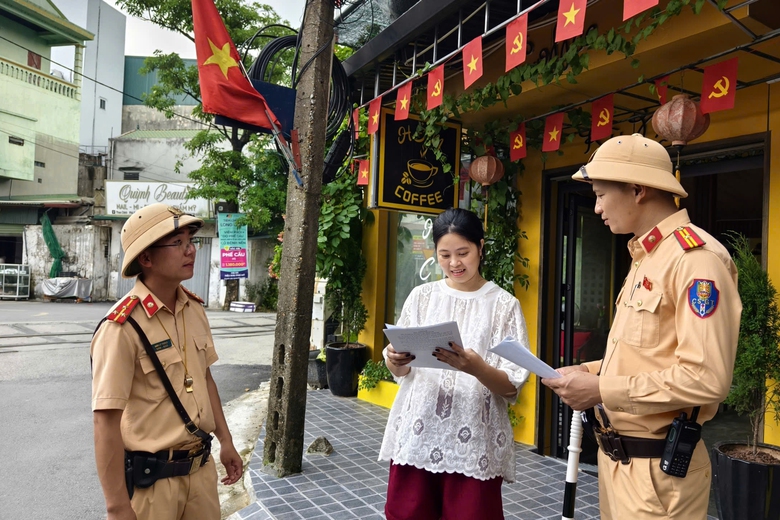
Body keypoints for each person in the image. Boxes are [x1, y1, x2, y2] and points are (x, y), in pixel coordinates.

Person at [542, 134, 742, 520]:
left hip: (658, 475)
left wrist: (600, 389)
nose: (597, 207)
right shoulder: (645, 256)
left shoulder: (695, 260)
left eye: (600, 194)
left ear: (637, 190)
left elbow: (707, 378)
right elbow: (648, 352)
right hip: (618, 464)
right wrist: (590, 371)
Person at [91, 203, 243, 520]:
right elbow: (105, 420)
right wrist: (117, 507)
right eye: (178, 243)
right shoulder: (122, 327)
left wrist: (225, 441)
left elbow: (205, 379)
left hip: (201, 473)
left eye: (191, 241)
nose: (190, 250)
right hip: (152, 486)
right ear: (146, 258)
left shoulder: (195, 309)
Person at [380, 208, 531, 520]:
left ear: (480, 247)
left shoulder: (503, 305)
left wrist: (476, 368)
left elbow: (511, 385)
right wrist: (394, 359)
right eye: (444, 254)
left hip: (473, 437)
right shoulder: (421, 296)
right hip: (418, 431)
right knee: (407, 514)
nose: (454, 263)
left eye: (463, 253)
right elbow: (402, 372)